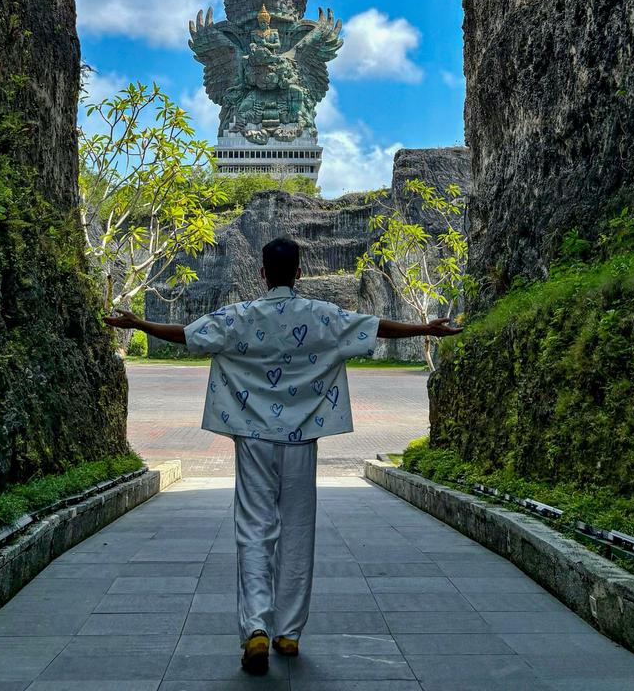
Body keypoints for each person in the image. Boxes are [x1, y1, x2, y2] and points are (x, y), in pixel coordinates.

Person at [105, 236, 462, 675]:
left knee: (254, 529)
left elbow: (186, 336)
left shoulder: (239, 317)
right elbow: (376, 326)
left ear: (261, 273)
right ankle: (288, 632)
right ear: (299, 272)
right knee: (297, 529)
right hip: (301, 438)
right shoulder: (322, 315)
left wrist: (139, 324)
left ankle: (255, 627)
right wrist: (426, 329)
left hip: (252, 437)